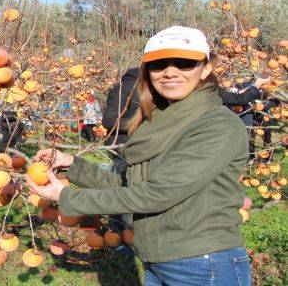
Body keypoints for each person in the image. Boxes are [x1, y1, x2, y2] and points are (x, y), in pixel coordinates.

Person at [27, 26, 251, 286]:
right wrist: (73, 166)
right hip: (158, 260)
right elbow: (133, 187)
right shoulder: (158, 120)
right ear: (147, 72)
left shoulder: (215, 125)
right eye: (158, 65)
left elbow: (157, 194)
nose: (169, 72)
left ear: (206, 68)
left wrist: (66, 197)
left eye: (184, 62)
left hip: (202, 264)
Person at [102, 67, 140, 233]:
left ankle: (130, 230)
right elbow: (109, 120)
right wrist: (138, 123)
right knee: (123, 186)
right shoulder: (122, 89)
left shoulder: (147, 91)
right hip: (122, 147)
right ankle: (122, 231)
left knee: (135, 188)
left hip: (141, 147)